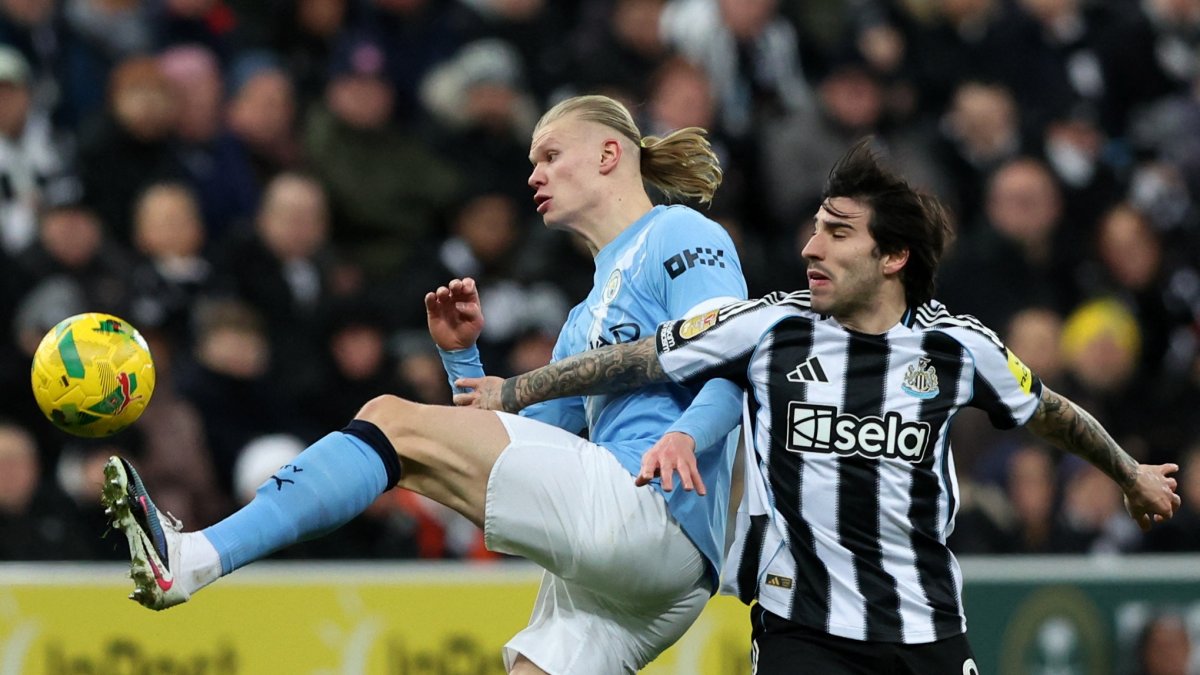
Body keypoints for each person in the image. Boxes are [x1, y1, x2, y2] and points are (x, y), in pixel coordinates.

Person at [453, 140, 1182, 674]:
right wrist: (513, 389)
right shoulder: (771, 326)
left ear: (892, 257)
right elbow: (637, 358)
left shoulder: (958, 348)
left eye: (837, 233)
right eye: (814, 228)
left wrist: (1129, 473)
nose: (810, 247)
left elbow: (1051, 411)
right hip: (802, 630)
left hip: (926, 627)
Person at [103, 94, 749, 674]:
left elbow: (731, 355)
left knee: (389, 418)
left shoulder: (679, 232)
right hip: (644, 574)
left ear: (609, 154)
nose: (533, 175)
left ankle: (197, 555)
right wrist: (462, 359)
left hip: (654, 505)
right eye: (532, 162)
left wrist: (689, 435)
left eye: (551, 156)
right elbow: (509, 459)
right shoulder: (581, 320)